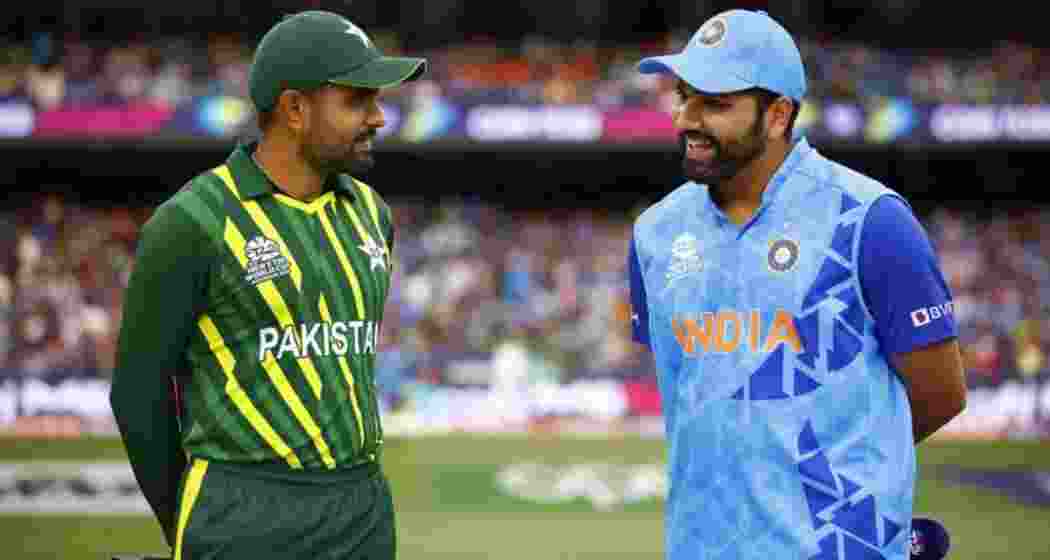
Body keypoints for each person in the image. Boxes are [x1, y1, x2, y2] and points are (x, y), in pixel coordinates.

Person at [626, 10, 967, 560]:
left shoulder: (870, 220)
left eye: (715, 103)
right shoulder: (655, 233)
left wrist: (829, 480)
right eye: (684, 96)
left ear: (778, 114)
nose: (686, 117)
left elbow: (941, 394)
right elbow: (695, 402)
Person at [109, 11, 426, 560]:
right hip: (243, 507)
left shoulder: (372, 213)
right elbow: (138, 395)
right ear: (295, 109)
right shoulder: (193, 221)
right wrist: (188, 521)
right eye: (357, 101)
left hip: (361, 508)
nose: (378, 117)